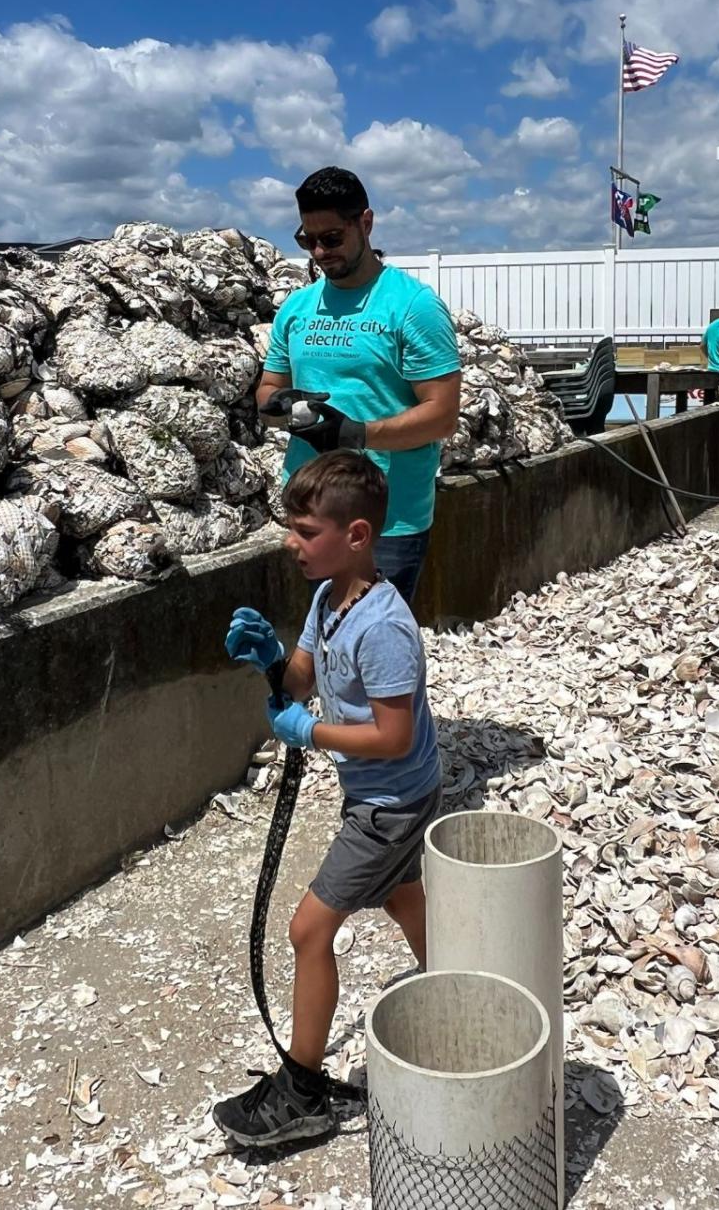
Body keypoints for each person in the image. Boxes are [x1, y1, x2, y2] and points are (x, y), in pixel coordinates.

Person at [214, 451, 442, 1148]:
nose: (292, 541)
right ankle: (456, 991)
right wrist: (272, 662)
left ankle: (304, 1092)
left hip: (392, 801)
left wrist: (308, 731)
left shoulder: (385, 627)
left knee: (309, 930)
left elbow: (395, 735)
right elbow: (304, 678)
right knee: (403, 898)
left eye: (307, 530)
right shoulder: (327, 599)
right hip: (378, 794)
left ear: (359, 535)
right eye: (292, 526)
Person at [258, 167, 461, 606]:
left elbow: (442, 415)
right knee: (327, 649)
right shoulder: (297, 307)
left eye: (331, 238)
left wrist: (357, 434)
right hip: (312, 514)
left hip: (387, 520)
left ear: (365, 224)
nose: (318, 252)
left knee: (374, 653)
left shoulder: (413, 306)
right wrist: (281, 406)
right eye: (306, 239)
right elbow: (269, 386)